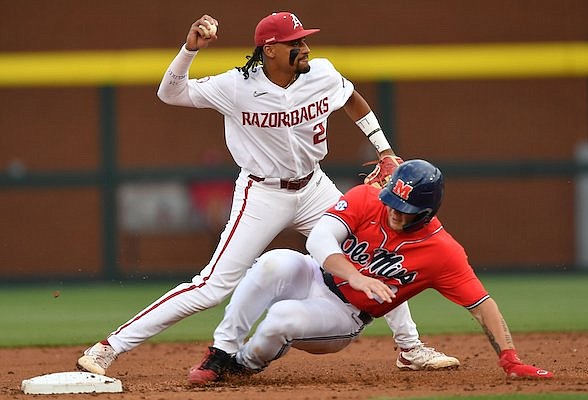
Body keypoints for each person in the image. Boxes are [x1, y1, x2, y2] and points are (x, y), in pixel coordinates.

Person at [76, 12, 458, 380]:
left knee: (376, 250)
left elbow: (353, 99)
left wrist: (385, 151)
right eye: (296, 42)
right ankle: (108, 348)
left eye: (305, 40)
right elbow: (170, 93)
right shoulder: (236, 86)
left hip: (313, 187)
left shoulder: (321, 73)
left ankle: (410, 349)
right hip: (262, 192)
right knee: (211, 287)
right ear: (270, 49)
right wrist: (189, 50)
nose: (305, 47)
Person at [189, 159, 554, 383]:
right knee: (273, 261)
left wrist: (510, 359)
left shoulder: (443, 253)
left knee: (281, 318)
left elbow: (481, 304)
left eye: (405, 208)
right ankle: (221, 352)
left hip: (345, 314)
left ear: (427, 211)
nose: (394, 211)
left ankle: (244, 365)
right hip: (318, 274)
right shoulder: (368, 198)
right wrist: (356, 275)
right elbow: (318, 239)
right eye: (393, 200)